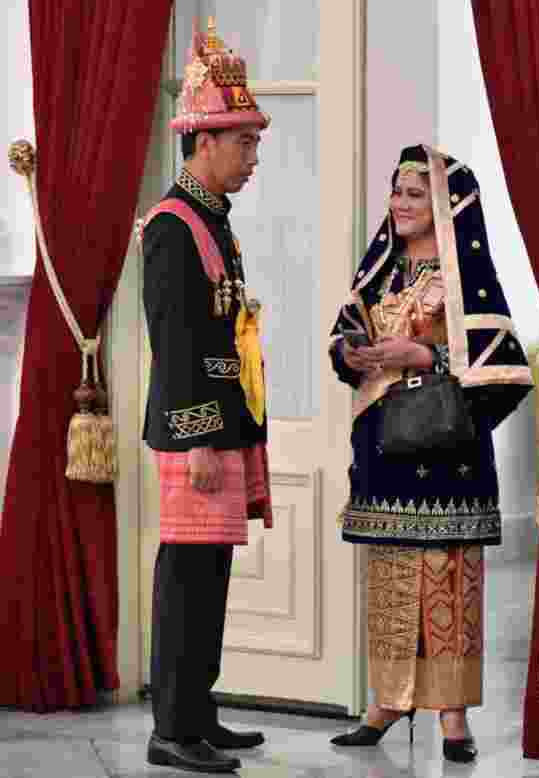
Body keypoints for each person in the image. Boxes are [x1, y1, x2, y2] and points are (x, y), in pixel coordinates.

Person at [327, 145, 533, 763]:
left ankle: (452, 716)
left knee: (449, 582)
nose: (400, 204)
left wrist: (428, 358)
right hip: (385, 447)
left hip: (448, 453)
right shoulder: (381, 270)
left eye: (416, 194)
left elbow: (507, 366)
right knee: (391, 578)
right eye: (397, 192)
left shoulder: (465, 277)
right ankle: (386, 702)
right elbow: (346, 329)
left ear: (446, 204)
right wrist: (352, 353)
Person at [141, 18, 272, 775]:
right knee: (185, 579)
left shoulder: (213, 219)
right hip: (196, 431)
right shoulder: (171, 224)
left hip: (223, 423)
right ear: (203, 141)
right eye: (244, 142)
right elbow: (177, 339)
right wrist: (198, 438)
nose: (253, 156)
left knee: (211, 577)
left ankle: (199, 712)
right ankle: (171, 730)